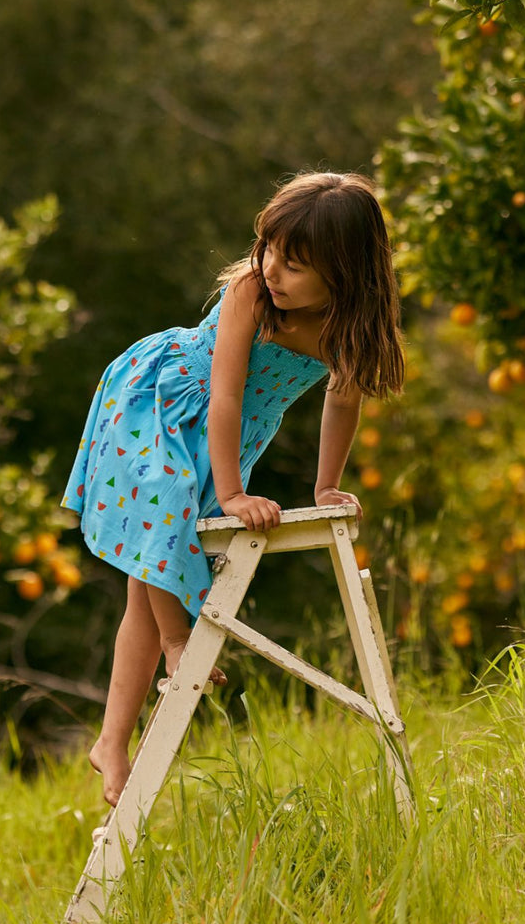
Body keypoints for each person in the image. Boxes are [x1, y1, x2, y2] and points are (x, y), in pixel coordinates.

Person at [58, 170, 407, 806]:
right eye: (269, 248)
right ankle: (174, 644)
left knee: (148, 578)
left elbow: (342, 405)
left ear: (346, 275)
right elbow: (223, 398)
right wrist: (233, 492)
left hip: (228, 437)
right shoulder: (253, 291)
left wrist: (326, 485)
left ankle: (111, 741)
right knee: (163, 524)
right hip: (161, 399)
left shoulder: (348, 330)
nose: (273, 269)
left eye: (295, 265)